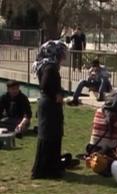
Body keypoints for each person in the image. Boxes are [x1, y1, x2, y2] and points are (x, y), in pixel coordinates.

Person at [31, 40, 78, 179]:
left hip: (48, 104)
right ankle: (47, 170)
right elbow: (45, 85)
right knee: (50, 136)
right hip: (50, 105)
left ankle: (51, 166)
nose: (63, 57)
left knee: (52, 135)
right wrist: (56, 95)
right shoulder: (50, 67)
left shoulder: (45, 65)